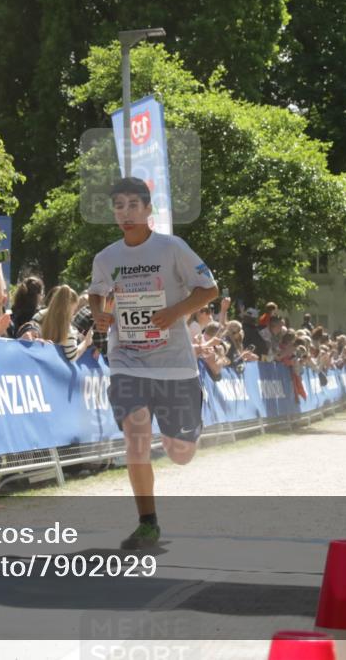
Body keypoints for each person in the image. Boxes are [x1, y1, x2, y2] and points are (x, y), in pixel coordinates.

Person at [88, 177, 219, 551]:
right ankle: (148, 523)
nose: (125, 213)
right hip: (127, 360)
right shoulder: (106, 257)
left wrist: (174, 313)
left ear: (148, 209)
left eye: (132, 205)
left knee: (180, 454)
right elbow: (97, 294)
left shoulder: (172, 248)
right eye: (118, 207)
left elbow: (210, 290)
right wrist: (100, 316)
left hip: (175, 365)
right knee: (137, 435)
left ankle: (191, 420)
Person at [40, 284, 92, 362]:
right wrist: (86, 343)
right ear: (69, 309)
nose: (74, 313)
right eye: (74, 310)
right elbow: (72, 356)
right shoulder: (67, 329)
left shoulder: (41, 315)